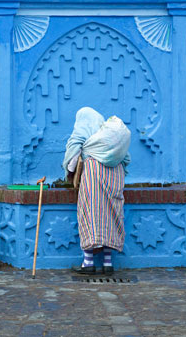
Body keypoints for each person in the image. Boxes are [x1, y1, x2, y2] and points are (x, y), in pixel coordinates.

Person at [63, 107, 131, 275]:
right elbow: (126, 158)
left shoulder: (84, 133)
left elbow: (72, 158)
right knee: (112, 214)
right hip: (115, 173)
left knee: (90, 214)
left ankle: (88, 263)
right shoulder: (108, 137)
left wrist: (69, 174)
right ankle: (108, 264)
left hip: (93, 171)